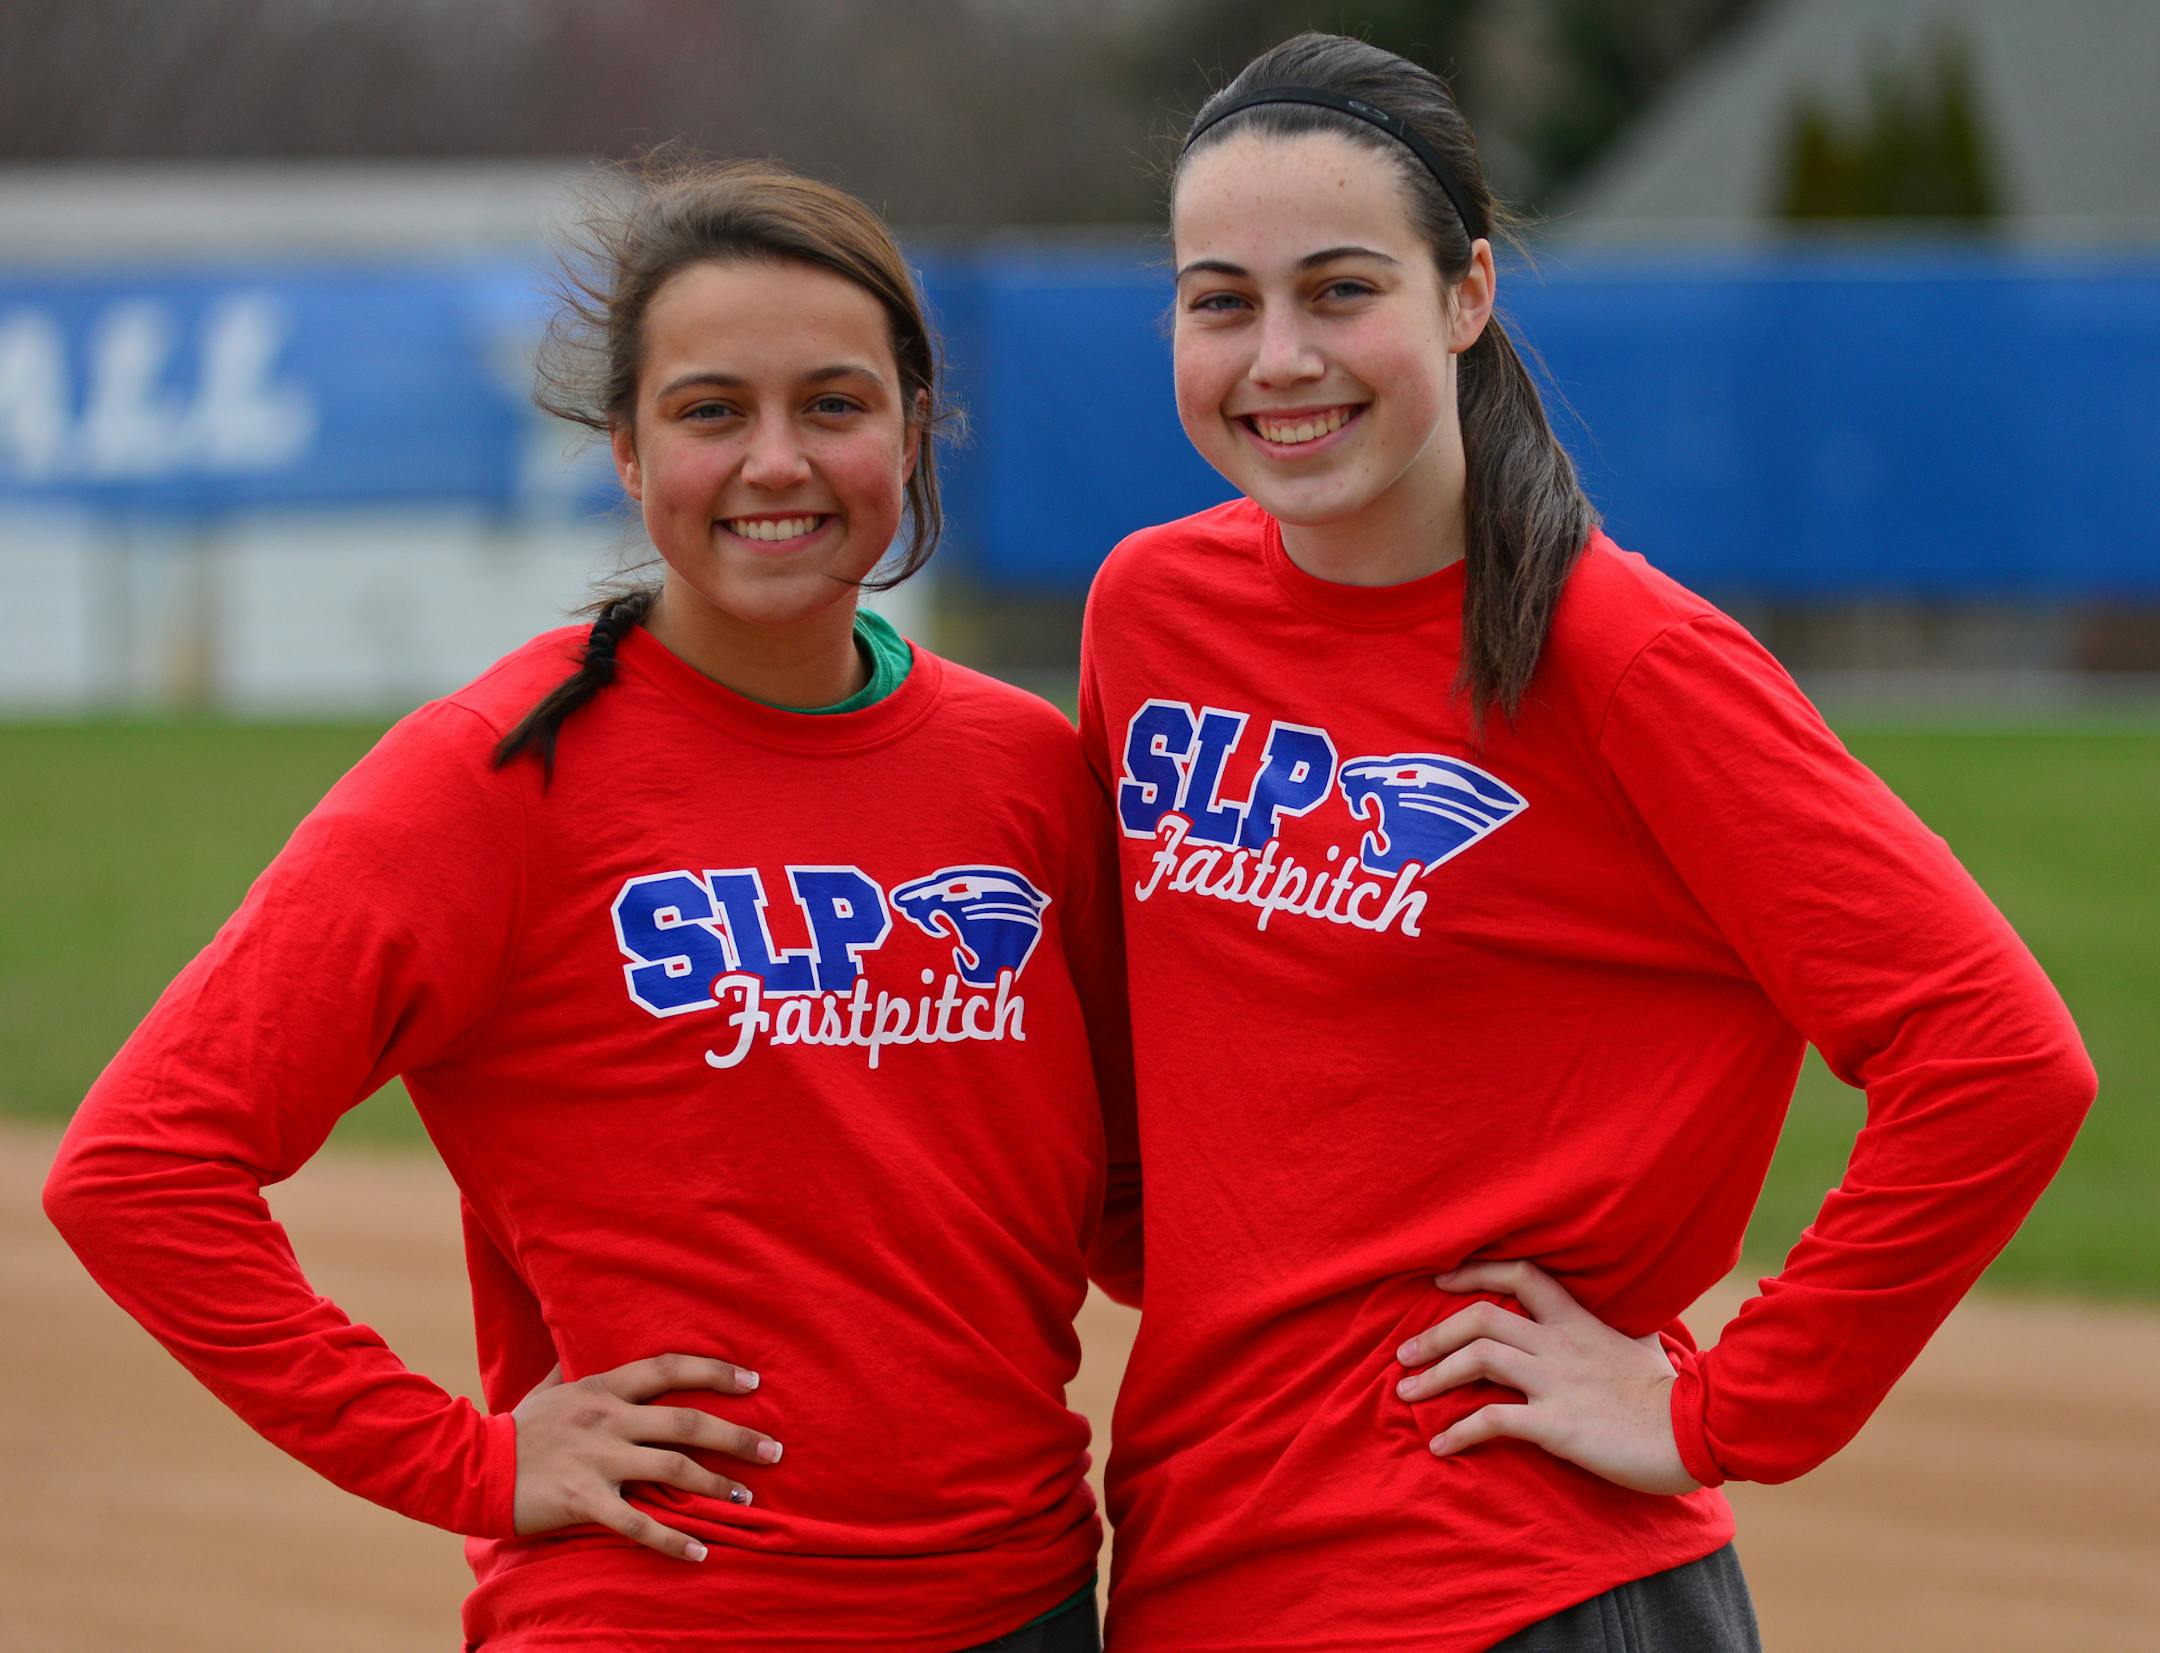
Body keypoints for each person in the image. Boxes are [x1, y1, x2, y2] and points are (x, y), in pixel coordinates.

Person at [1076, 32, 2095, 1652]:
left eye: (1341, 290)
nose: (1279, 355)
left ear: (1465, 294)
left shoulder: (1620, 655)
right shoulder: (1150, 612)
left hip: (1511, 1578)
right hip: (1212, 1554)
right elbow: (1168, 1079)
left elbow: (1998, 1054)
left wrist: (1719, 1407)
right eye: (1221, 300)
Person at [45, 158, 1137, 1653]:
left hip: (1015, 1603)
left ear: (911, 428)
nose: (776, 461)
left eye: (832, 403)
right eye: (709, 412)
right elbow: (138, 1166)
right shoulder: (490, 778)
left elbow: (1133, 1203)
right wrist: (470, 1458)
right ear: (624, 450)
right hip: (659, 1614)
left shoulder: (1027, 771)